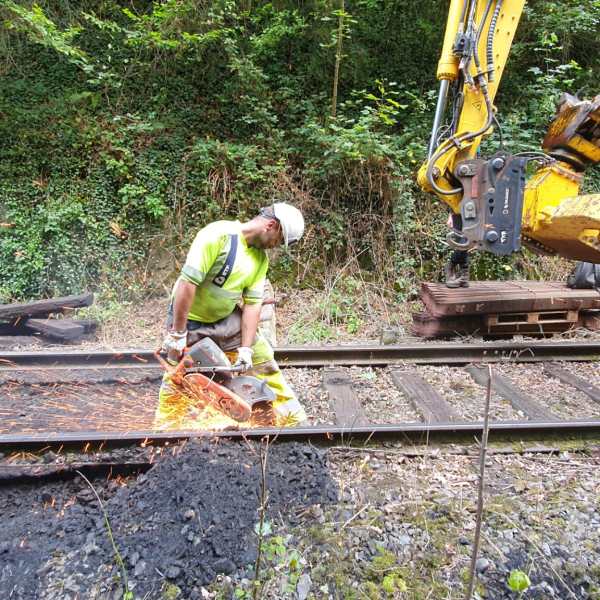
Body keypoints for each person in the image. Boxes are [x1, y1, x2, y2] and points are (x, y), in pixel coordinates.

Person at [155, 203, 306, 429]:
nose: (276, 247)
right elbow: (188, 283)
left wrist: (246, 349)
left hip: (226, 318)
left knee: (262, 356)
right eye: (278, 240)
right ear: (271, 226)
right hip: (191, 319)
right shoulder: (219, 235)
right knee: (177, 376)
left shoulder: (260, 260)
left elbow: (253, 305)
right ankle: (163, 432)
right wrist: (178, 333)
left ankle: (294, 423)